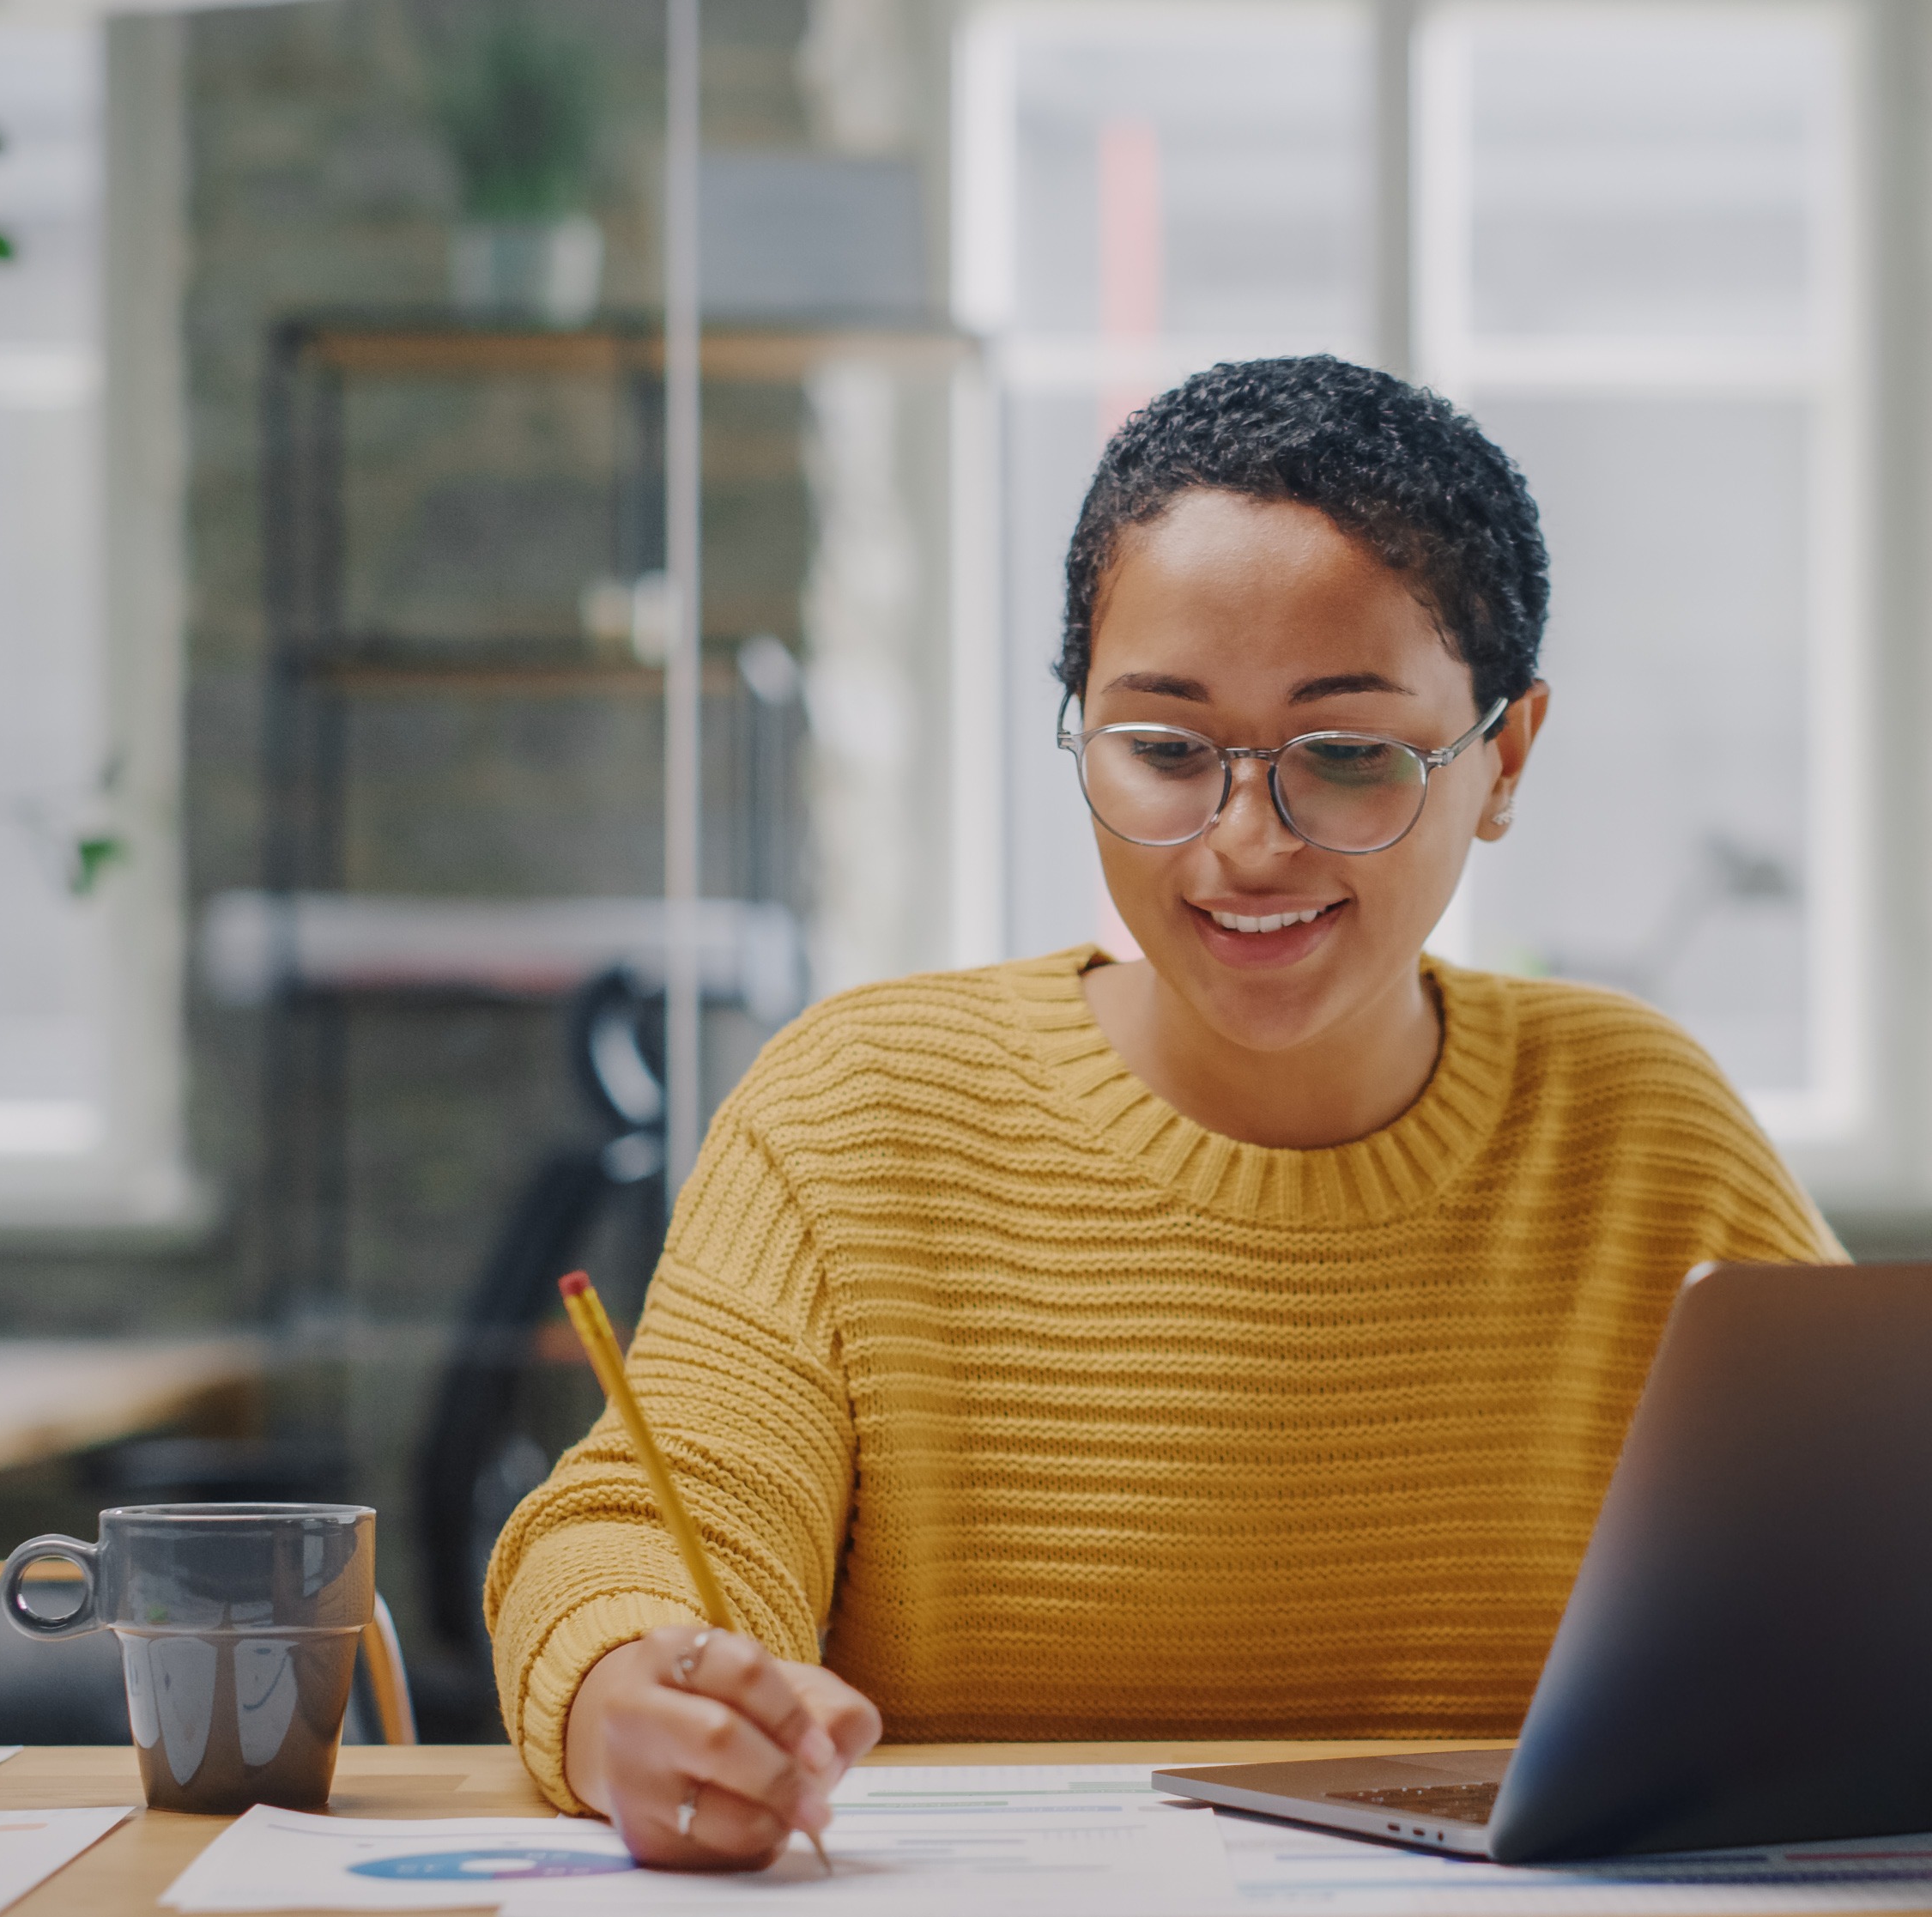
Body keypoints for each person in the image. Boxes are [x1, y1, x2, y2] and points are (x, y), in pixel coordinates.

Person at [488, 356, 1843, 1871]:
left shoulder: (1643, 1126)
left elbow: (1896, 1571)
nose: (1245, 844)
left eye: (1345, 755)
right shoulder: (858, 1113)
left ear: (1504, 757)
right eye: (1166, 748)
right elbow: (630, 1534)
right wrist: (641, 1695)